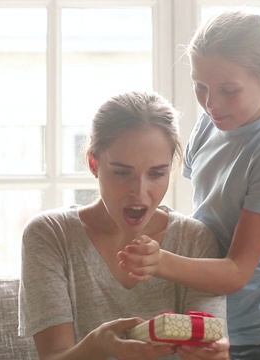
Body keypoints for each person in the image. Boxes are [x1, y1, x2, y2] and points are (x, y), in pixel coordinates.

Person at [117, 9, 260, 360]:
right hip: (219, 323)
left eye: (228, 90)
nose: (211, 103)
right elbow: (205, 222)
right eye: (201, 87)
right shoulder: (210, 124)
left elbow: (237, 270)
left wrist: (159, 262)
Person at [18, 90, 230, 360]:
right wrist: (96, 346)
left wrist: (214, 355)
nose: (139, 193)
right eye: (121, 173)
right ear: (94, 163)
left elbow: (210, 338)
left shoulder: (195, 239)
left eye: (156, 174)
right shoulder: (51, 234)